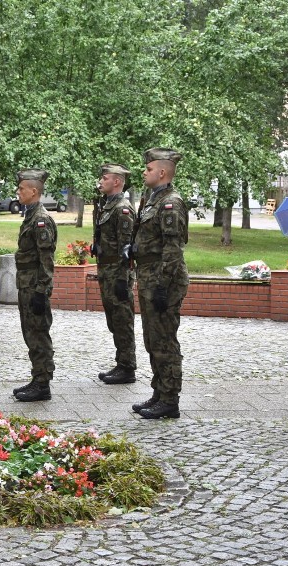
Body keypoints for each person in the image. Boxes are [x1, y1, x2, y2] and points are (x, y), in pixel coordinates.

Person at [129, 147, 188, 419]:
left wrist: (164, 285)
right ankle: (159, 392)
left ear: (162, 172)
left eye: (149, 168)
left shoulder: (170, 203)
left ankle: (170, 399)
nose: (144, 172)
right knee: (152, 339)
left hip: (163, 280)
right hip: (149, 276)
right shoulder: (152, 200)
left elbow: (173, 248)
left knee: (164, 340)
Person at [11, 169, 57, 402]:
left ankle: (42, 383)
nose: (18, 192)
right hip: (27, 285)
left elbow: (46, 260)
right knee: (31, 333)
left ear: (34, 191)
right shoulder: (30, 216)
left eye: (21, 189)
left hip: (35, 288)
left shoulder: (41, 220)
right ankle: (37, 378)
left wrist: (41, 291)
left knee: (38, 333)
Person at [93, 163, 137, 384]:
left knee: (122, 319)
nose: (100, 181)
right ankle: (121, 363)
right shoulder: (108, 205)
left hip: (117, 273)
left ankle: (127, 368)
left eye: (105, 178)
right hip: (107, 271)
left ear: (117, 181)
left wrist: (122, 279)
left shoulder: (123, 208)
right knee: (113, 320)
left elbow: (127, 247)